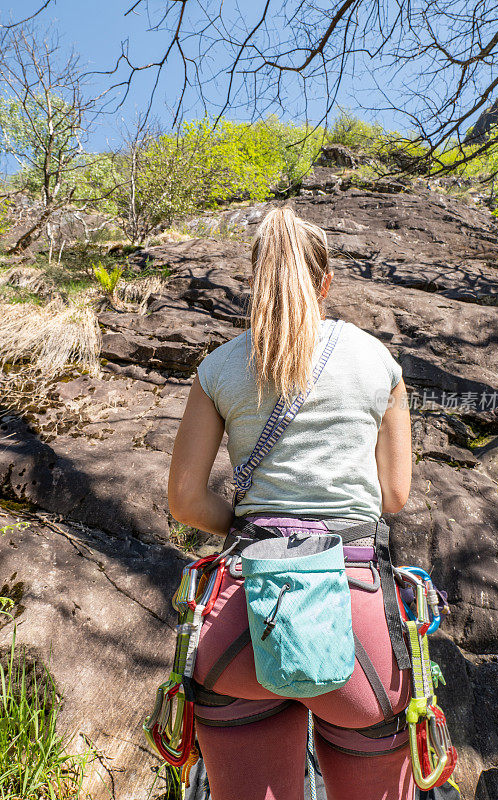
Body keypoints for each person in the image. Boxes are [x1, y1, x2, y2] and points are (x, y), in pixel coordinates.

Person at [168, 206, 413, 800]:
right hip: (355, 617)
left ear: (256, 283)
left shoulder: (219, 367)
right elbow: (396, 496)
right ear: (324, 283)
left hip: (242, 611)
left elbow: (184, 498)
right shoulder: (377, 360)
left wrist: (243, 525)